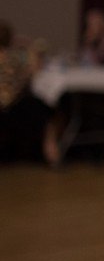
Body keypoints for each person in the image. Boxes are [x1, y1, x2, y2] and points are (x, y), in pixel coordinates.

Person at [0, 20, 49, 162]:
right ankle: (49, 151)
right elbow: (34, 72)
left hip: (6, 107)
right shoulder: (13, 59)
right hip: (9, 108)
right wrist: (30, 46)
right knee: (46, 106)